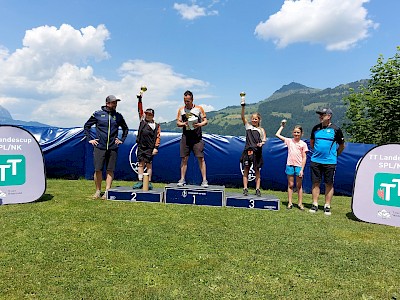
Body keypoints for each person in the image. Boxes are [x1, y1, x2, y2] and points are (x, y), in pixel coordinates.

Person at [84, 95, 129, 199]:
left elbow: (125, 129)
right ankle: (98, 191)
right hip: (100, 147)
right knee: (98, 170)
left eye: (116, 103)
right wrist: (90, 139)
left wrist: (121, 139)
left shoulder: (118, 116)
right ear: (107, 103)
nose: (115, 105)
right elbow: (86, 126)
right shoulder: (97, 114)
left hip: (113, 147)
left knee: (110, 170)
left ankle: (107, 192)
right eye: (113, 103)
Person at [309, 108, 345, 215]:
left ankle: (327, 205)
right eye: (319, 114)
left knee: (328, 183)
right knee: (315, 183)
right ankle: (315, 204)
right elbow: (312, 143)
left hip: (330, 162)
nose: (320, 116)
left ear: (329, 116)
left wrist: (335, 155)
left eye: (323, 115)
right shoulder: (315, 128)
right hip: (315, 160)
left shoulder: (336, 129)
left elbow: (342, 145)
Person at [176, 90, 208, 187]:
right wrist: (184, 124)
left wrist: (199, 124)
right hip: (186, 137)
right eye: (185, 101)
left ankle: (204, 180)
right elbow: (178, 123)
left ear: (192, 100)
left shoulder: (199, 109)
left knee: (200, 158)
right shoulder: (181, 110)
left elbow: (205, 121)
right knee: (184, 158)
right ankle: (182, 179)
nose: (186, 103)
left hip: (197, 137)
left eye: (188, 101)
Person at [275, 120, 309, 210]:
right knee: (290, 184)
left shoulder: (303, 144)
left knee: (299, 186)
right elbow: (277, 135)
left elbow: (304, 157)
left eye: (298, 132)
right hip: (290, 165)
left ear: (301, 133)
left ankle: (300, 203)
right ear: (292, 133)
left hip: (298, 166)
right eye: (295, 132)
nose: (296, 134)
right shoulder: (289, 141)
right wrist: (282, 126)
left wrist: (302, 169)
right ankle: (290, 203)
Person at [132, 93, 161, 190]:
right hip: (141, 146)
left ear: (153, 115)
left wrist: (156, 148)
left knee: (149, 164)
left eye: (150, 114)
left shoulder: (156, 125)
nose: (148, 115)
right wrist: (140, 100)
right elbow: (139, 110)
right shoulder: (142, 121)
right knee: (140, 164)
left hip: (150, 147)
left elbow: (158, 137)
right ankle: (140, 181)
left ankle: (148, 182)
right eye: (147, 114)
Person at [240, 102, 266, 197]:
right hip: (247, 151)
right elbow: (242, 116)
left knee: (257, 170)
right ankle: (245, 188)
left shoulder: (261, 130)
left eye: (256, 119)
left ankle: (257, 189)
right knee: (246, 169)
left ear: (259, 120)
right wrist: (243, 107)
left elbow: (264, 140)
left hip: (257, 152)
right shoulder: (248, 127)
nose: (254, 120)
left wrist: (261, 143)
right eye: (253, 119)